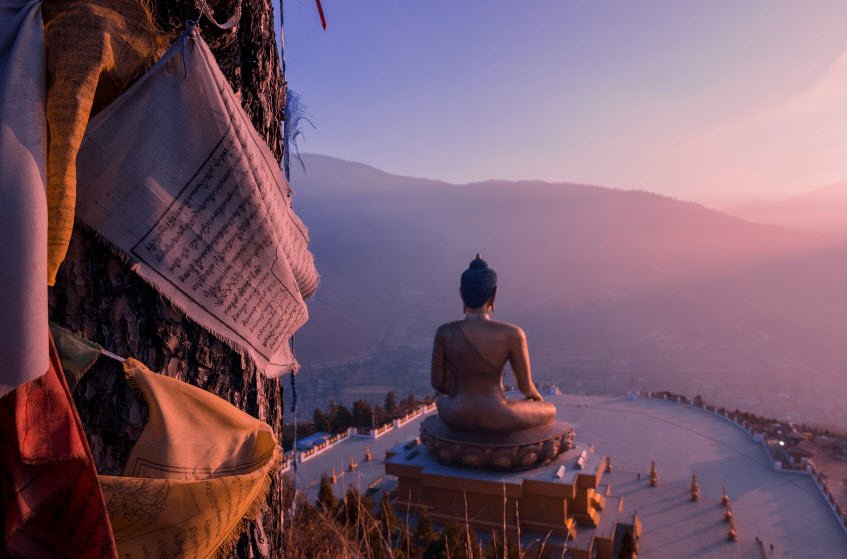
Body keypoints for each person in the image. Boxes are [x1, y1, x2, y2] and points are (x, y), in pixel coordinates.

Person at [430, 254, 557, 433]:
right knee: (550, 410)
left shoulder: (444, 332)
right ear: (494, 293)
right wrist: (535, 400)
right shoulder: (512, 334)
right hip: (497, 415)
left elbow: (438, 383)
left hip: (455, 413)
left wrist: (464, 395)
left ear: (461, 293)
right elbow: (526, 387)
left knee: (441, 402)